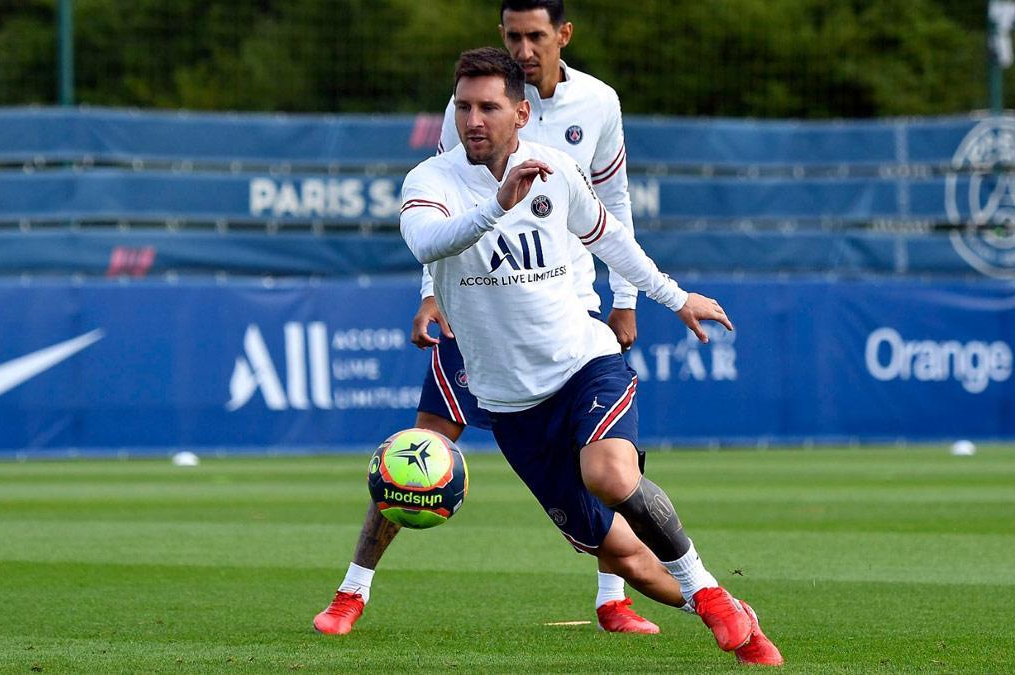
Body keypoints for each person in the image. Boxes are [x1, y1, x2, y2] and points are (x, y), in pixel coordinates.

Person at [398, 47, 781, 665]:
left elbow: (612, 240)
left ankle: (710, 600)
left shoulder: (556, 171)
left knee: (610, 474)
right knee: (625, 557)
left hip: (583, 364)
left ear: (520, 113)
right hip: (511, 406)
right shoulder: (430, 183)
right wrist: (497, 204)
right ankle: (714, 599)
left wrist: (675, 297)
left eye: (489, 107)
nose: (474, 119)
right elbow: (427, 240)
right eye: (464, 106)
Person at [315, 0, 673, 637]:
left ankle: (613, 597)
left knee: (609, 460)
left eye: (536, 36)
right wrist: (431, 292)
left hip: (561, 308)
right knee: (422, 447)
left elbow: (611, 205)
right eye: (513, 36)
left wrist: (627, 298)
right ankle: (353, 590)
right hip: (477, 308)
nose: (524, 50)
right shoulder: (478, 106)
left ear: (563, 35)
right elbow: (446, 209)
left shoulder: (598, 105)